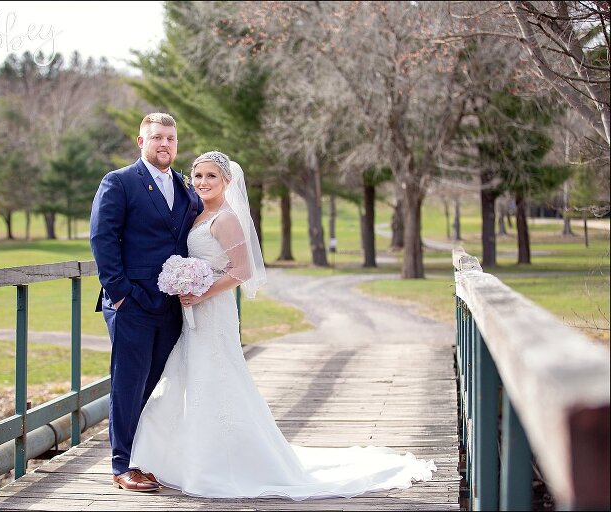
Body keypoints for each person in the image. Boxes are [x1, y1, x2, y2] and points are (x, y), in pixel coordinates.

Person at [129, 151, 437, 499]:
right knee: (189, 375)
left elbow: (242, 271)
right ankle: (182, 458)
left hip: (214, 310)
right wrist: (184, 281)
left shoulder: (226, 218)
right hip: (196, 310)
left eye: (211, 176)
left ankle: (224, 460)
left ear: (227, 181)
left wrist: (201, 292)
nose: (202, 182)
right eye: (197, 175)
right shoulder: (201, 213)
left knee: (217, 375)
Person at [89, 113, 203, 492]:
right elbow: (103, 239)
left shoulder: (186, 190)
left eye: (170, 138)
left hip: (171, 305)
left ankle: (146, 457)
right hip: (131, 303)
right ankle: (122, 465)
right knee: (129, 383)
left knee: (155, 385)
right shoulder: (119, 182)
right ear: (141, 142)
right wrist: (120, 294)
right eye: (156, 138)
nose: (164, 144)